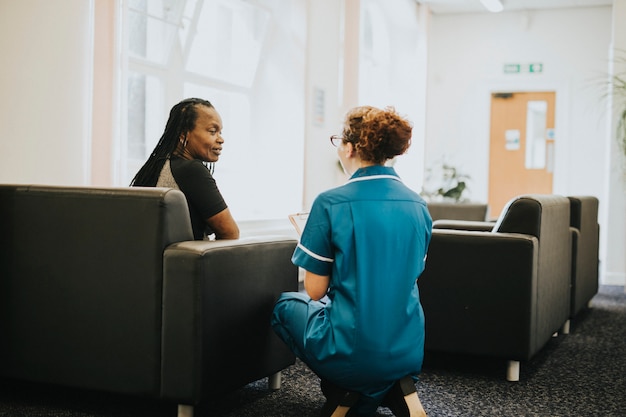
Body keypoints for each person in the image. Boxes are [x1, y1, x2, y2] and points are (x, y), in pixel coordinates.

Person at [272, 106, 432, 417]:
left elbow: (316, 291)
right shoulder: (419, 205)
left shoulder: (331, 202)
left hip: (354, 350)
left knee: (284, 306)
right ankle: (388, 386)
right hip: (409, 349)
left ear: (349, 147)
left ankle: (347, 389)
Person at [130, 98, 239, 240]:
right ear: (183, 134)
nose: (220, 139)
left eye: (220, 132)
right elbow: (230, 233)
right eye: (212, 131)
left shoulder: (156, 167)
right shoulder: (192, 170)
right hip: (187, 261)